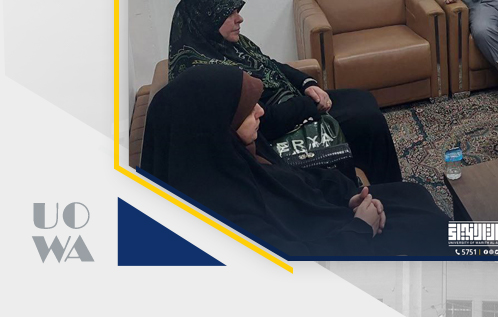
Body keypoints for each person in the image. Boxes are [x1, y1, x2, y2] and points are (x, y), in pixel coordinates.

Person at [140, 64, 452, 256]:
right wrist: (360, 228)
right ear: (216, 126)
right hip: (338, 246)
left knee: (413, 194)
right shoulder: (222, 213)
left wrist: (348, 197)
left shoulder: (237, 153)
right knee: (433, 228)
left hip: (327, 215)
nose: (261, 111)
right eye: (248, 109)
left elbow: (297, 179)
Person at [168, 0, 402, 184]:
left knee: (363, 98)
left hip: (292, 103)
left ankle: (378, 182)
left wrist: (307, 83)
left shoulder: (228, 44)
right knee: (367, 121)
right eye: (230, 14)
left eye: (237, 11)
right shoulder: (204, 73)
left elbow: (270, 64)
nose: (240, 18)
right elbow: (260, 121)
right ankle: (381, 190)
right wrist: (310, 105)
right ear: (206, 20)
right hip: (276, 129)